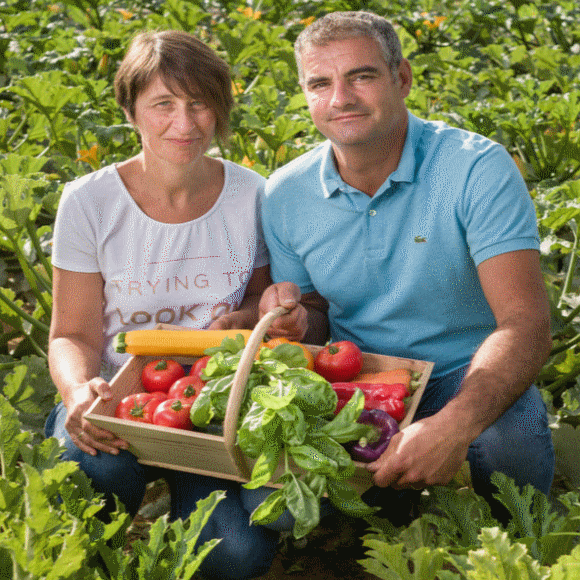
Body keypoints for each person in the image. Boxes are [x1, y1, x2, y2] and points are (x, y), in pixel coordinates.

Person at [259, 11, 555, 524]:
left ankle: (518, 543)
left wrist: (453, 426)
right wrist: (299, 320)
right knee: (296, 516)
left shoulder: (474, 168)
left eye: (362, 76)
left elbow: (525, 325)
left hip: (468, 371)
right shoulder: (285, 192)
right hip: (360, 376)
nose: (340, 98)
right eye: (320, 83)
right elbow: (316, 314)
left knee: (511, 446)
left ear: (402, 78)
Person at [45, 30, 286, 580]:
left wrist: (247, 316)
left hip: (211, 408)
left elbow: (258, 294)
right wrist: (79, 390)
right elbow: (72, 335)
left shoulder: (253, 194)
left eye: (200, 103)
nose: (185, 123)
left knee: (236, 557)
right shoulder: (88, 202)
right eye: (163, 104)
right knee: (90, 475)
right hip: (121, 400)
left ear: (220, 109)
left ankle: (191, 506)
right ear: (129, 111)